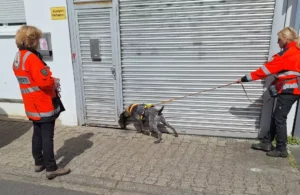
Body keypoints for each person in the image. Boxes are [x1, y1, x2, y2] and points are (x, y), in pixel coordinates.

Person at [13, 25, 71, 179]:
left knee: (37, 134)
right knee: (47, 136)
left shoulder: (19, 57)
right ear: (31, 41)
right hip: (43, 103)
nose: (38, 42)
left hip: (31, 105)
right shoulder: (32, 58)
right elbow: (44, 82)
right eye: (37, 39)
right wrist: (53, 80)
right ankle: (51, 168)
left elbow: (30, 80)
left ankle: (38, 163)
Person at [237, 27, 300, 158]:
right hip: (291, 90)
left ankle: (281, 149)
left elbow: (264, 71)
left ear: (285, 39)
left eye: (279, 40)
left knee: (279, 118)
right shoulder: (296, 52)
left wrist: (244, 78)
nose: (278, 43)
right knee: (277, 116)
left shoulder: (286, 55)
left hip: (289, 91)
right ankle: (266, 142)